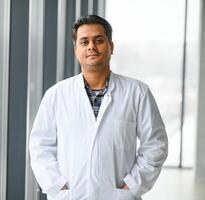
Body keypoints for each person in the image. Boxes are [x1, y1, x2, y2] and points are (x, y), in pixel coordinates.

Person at [29, 14, 168, 200]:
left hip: (117, 195)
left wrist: (132, 186)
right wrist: (58, 188)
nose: (91, 47)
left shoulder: (137, 92)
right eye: (84, 42)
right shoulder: (56, 95)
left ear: (111, 47)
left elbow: (155, 145)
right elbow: (40, 147)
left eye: (99, 40)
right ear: (76, 50)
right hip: (71, 196)